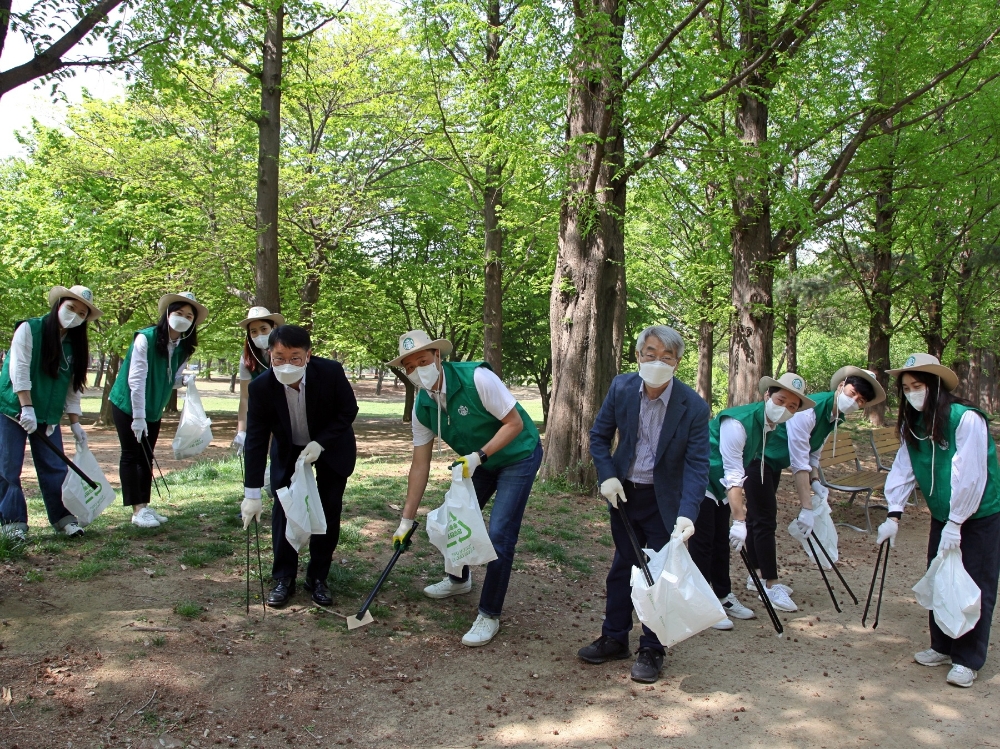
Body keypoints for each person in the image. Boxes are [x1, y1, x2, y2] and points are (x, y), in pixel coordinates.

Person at [389, 329, 542, 648]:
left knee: (500, 533)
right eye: (411, 366)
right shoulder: (422, 407)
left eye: (423, 359)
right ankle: (458, 580)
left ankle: (489, 614)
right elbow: (420, 465)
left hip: (517, 454)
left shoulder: (478, 379)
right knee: (450, 518)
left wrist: (480, 455)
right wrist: (406, 520)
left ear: (438, 357)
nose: (419, 368)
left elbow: (514, 424)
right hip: (478, 461)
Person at [581, 325, 711, 683]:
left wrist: (688, 512)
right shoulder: (622, 387)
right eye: (650, 353)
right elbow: (599, 435)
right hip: (623, 494)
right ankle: (614, 636)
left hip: (663, 499)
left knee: (658, 573)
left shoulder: (694, 407)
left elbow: (698, 464)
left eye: (667, 356)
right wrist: (606, 474)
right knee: (624, 564)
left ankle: (652, 647)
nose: (658, 361)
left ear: (677, 362)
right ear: (638, 355)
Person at [878, 353, 1000, 689]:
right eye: (906, 388)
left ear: (935, 386)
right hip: (943, 516)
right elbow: (904, 467)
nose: (912, 393)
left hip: (978, 516)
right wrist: (893, 513)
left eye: (918, 386)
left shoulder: (966, 419)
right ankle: (942, 646)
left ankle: (968, 659)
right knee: (939, 578)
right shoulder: (913, 424)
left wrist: (957, 522)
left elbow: (970, 474)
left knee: (974, 585)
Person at [240, 325, 358, 608]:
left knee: (328, 509)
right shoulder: (261, 387)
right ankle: (283, 578)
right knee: (284, 509)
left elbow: (348, 410)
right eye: (279, 357)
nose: (287, 364)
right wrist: (251, 493)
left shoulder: (330, 372)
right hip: (288, 450)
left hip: (329, 447)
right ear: (269, 355)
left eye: (295, 357)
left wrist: (321, 442)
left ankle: (318, 577)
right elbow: (255, 439)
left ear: (308, 355)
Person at [0, 285, 101, 539]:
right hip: (12, 409)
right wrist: (26, 407)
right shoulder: (30, 329)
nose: (74, 315)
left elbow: (72, 386)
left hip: (48, 414)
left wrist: (75, 423)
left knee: (55, 467)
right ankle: (12, 523)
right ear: (58, 305)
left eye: (81, 313)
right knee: (8, 466)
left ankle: (63, 518)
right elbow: (19, 369)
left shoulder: (75, 345)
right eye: (71, 308)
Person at [706, 373, 812, 614]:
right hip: (701, 480)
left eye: (792, 406)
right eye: (781, 400)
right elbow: (733, 472)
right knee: (704, 542)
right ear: (767, 395)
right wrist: (740, 519)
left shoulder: (769, 426)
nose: (785, 408)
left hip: (719, 486)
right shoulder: (738, 422)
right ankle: (700, 605)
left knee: (720, 541)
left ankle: (722, 597)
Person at [761, 366, 885, 571]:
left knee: (766, 519)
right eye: (852, 393)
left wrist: (816, 481)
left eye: (861, 401)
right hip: (759, 456)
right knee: (764, 519)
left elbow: (813, 453)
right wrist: (806, 507)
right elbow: (799, 462)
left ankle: (763, 578)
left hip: (774, 463)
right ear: (841, 386)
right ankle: (765, 581)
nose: (855, 401)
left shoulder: (834, 417)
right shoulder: (809, 410)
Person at [108, 291, 206, 528]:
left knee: (147, 455)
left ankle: (144, 505)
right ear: (168, 314)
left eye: (189, 316)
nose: (183, 318)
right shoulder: (146, 338)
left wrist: (184, 381)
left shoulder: (183, 347)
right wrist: (138, 417)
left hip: (153, 407)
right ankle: (136, 509)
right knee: (132, 453)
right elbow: (137, 380)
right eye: (178, 313)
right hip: (128, 404)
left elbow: (169, 378)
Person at [233, 306, 285, 456]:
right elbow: (245, 397)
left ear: (273, 328)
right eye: (253, 331)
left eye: (263, 329)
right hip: (261, 412)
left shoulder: (286, 352)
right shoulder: (247, 359)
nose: (259, 334)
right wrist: (242, 430)